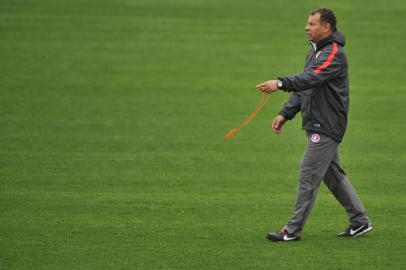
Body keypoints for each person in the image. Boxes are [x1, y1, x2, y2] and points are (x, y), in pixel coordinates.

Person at [256, 7, 372, 242]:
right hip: (318, 123)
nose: (306, 28)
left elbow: (309, 78)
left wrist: (279, 83)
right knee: (333, 175)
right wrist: (286, 113)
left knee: (308, 174)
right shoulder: (315, 53)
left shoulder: (333, 54)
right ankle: (360, 221)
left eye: (312, 24)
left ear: (326, 28)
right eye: (307, 23)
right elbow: (307, 86)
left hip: (327, 125)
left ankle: (291, 231)